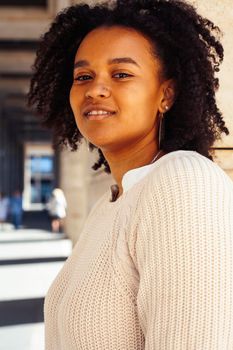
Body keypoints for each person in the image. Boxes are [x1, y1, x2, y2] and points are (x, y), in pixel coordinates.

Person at [28, 0, 233, 348]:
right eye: (83, 76)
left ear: (165, 94)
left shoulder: (183, 182)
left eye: (121, 74)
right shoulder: (110, 205)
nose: (96, 89)